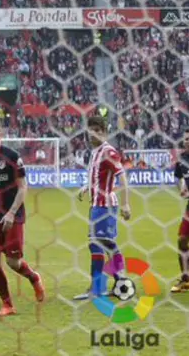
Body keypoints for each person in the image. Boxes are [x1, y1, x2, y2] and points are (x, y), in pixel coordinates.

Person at [0, 119, 45, 317]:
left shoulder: (12, 156)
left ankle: (33, 277)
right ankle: (7, 304)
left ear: (0, 134)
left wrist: (12, 212)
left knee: (13, 262)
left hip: (13, 215)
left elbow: (23, 187)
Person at [73, 116, 132, 300]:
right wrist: (86, 187)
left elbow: (122, 177)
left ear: (105, 132)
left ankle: (104, 286)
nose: (94, 134)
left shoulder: (109, 152)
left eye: (98, 130)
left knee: (104, 243)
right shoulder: (95, 152)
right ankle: (115, 284)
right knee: (98, 244)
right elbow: (97, 176)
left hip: (106, 206)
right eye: (91, 130)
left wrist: (125, 203)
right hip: (96, 205)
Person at [171, 128, 189, 293]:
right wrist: (182, 188)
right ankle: (186, 279)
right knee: (182, 240)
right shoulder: (182, 160)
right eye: (186, 139)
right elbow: (179, 177)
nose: (188, 142)